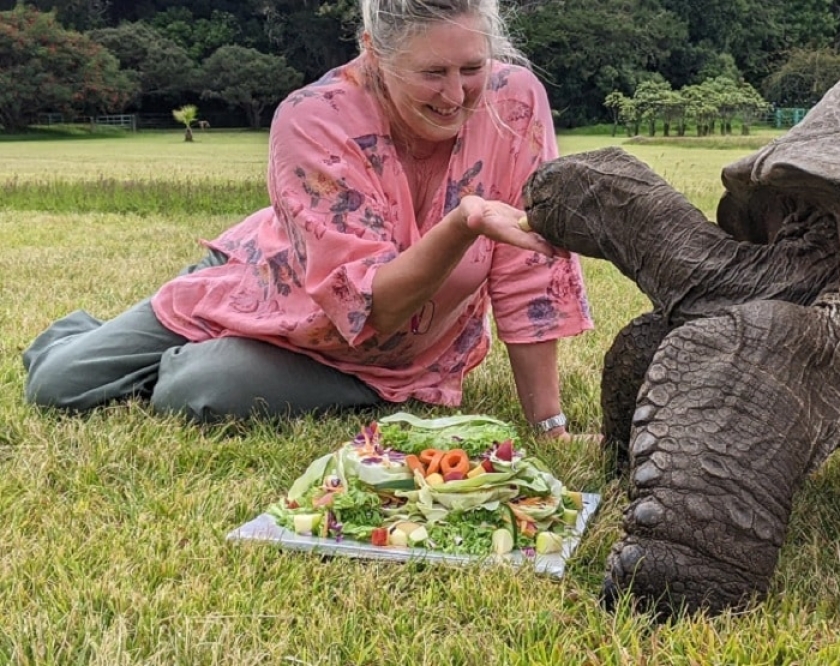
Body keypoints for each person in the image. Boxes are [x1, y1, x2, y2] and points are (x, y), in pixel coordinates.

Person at [22, 0, 594, 438]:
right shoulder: (311, 117)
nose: (457, 94)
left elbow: (530, 273)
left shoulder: (513, 100)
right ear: (374, 49)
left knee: (196, 390)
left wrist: (548, 423)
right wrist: (460, 225)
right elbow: (376, 300)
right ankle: (130, 327)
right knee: (57, 385)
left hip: (374, 356)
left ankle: (204, 358)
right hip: (265, 281)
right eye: (432, 73)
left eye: (472, 66)